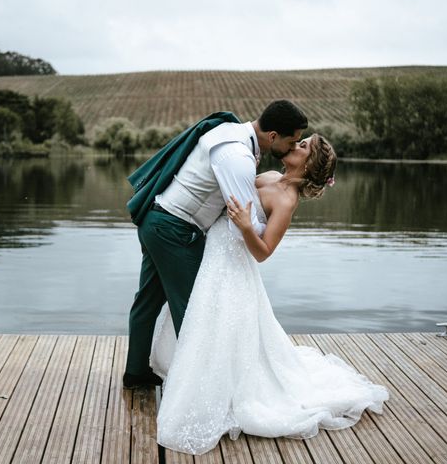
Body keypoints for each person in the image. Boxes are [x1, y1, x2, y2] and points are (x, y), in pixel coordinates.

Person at [150, 133, 390, 455]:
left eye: (303, 146)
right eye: (300, 140)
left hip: (234, 263)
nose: (297, 144)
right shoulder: (271, 176)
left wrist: (247, 226)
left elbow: (264, 252)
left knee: (225, 325)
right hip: (214, 252)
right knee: (206, 320)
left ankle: (225, 390)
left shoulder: (286, 201)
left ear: (308, 165)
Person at [123, 101, 309, 389]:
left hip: (157, 220)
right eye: (292, 141)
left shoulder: (230, 131)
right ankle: (195, 389)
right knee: (194, 311)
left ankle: (136, 374)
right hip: (175, 230)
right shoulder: (237, 156)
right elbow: (241, 216)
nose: (292, 146)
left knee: (148, 301)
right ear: (273, 136)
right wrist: (266, 229)